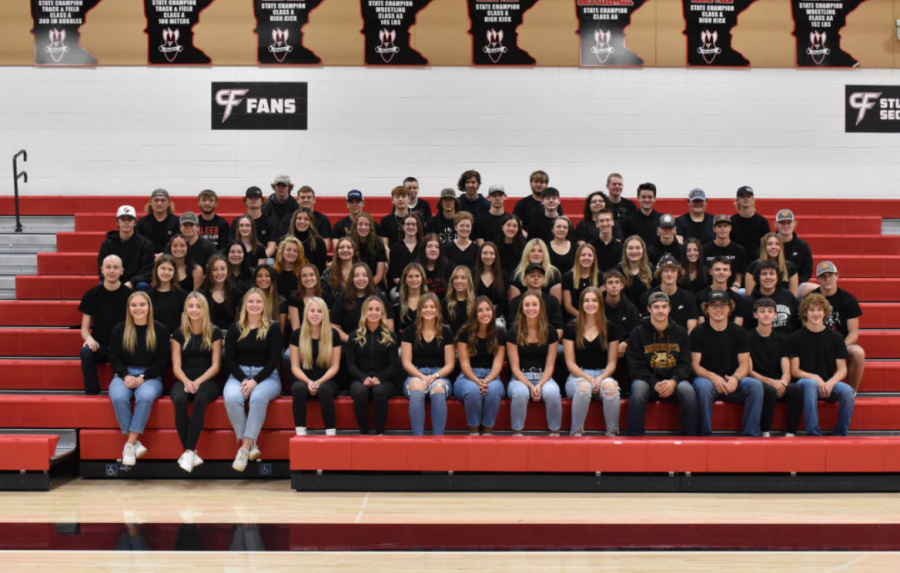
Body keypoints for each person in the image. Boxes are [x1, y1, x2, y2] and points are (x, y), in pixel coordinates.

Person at [223, 288, 284, 472]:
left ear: (264, 305)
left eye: (258, 302)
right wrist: (243, 380)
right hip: (239, 375)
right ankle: (251, 445)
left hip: (267, 377)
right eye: (251, 301)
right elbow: (229, 359)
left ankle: (244, 447)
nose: (255, 305)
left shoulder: (273, 328)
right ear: (245, 305)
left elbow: (275, 360)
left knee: (257, 398)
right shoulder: (235, 328)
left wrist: (255, 381)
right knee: (231, 398)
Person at [108, 291, 170, 466]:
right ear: (128, 308)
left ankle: (129, 443)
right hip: (124, 374)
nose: (138, 308)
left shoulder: (160, 330)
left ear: (149, 307)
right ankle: (134, 443)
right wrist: (126, 375)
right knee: (119, 397)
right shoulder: (119, 329)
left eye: (142, 305)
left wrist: (144, 377)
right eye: (134, 305)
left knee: (145, 396)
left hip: (150, 375)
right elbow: (114, 358)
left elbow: (162, 360)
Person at [691, 290, 763, 437]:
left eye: (722, 305)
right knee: (703, 388)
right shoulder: (698, 332)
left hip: (732, 381)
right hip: (708, 380)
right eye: (714, 305)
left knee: (755, 386)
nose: (718, 309)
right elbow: (695, 365)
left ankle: (751, 435)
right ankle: (704, 436)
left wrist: (735, 378)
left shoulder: (739, 332)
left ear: (729, 308)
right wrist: (713, 377)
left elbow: (744, 364)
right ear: (707, 309)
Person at [626, 292, 697, 436]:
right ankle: (635, 438)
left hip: (674, 381)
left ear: (670, 308)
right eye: (656, 307)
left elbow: (685, 364)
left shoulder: (681, 333)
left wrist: (673, 381)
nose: (660, 310)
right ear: (649, 309)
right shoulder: (637, 333)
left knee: (688, 392)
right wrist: (654, 383)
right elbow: (635, 367)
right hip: (647, 381)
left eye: (664, 306)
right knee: (638, 390)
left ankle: (690, 438)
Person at [170, 292, 223, 472]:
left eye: (198, 306)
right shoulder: (178, 333)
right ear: (186, 309)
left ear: (204, 309)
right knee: (179, 400)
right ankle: (190, 452)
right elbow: (176, 366)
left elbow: (216, 366)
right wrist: (186, 381)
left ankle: (188, 451)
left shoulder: (214, 332)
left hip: (207, 378)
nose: (194, 310)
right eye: (190, 306)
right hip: (184, 378)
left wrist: (198, 381)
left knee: (200, 400)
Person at [789, 293, 855, 436]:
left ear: (825, 312)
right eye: (811, 310)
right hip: (805, 384)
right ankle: (813, 433)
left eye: (819, 310)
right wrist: (815, 378)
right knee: (810, 384)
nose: (816, 313)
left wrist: (830, 382)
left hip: (828, 384)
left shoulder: (836, 338)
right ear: (805, 313)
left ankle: (840, 433)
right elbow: (795, 370)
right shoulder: (795, 337)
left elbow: (842, 369)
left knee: (848, 391)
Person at [564, 287, 621, 436]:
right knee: (584, 388)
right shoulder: (571, 328)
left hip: (603, 374)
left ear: (600, 304)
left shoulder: (611, 328)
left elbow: (612, 363)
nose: (590, 304)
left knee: (611, 388)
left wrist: (600, 378)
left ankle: (612, 433)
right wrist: (588, 379)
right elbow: (570, 363)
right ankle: (576, 432)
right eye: (587, 300)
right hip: (577, 376)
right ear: (581, 304)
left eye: (594, 300)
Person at [506, 293, 562, 436]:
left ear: (541, 308)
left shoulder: (551, 331)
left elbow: (550, 366)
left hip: (544, 376)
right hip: (520, 377)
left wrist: (539, 385)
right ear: (522, 309)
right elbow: (514, 369)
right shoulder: (513, 332)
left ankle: (555, 433)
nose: (531, 308)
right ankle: (517, 432)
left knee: (553, 392)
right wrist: (531, 386)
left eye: (534, 304)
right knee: (520, 392)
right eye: (527, 305)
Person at [401, 293, 455, 436]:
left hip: (439, 375)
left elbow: (450, 364)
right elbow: (406, 362)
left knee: (438, 390)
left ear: (437, 310)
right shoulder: (409, 332)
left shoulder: (446, 332)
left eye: (432, 306)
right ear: (419, 310)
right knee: (417, 388)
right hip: (415, 374)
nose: (429, 310)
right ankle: (418, 438)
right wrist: (421, 376)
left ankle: (438, 438)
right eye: (425, 307)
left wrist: (435, 376)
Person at [346, 296, 402, 435]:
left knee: (379, 391)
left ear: (382, 313)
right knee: (360, 392)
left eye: (377, 309)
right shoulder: (354, 336)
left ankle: (380, 433)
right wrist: (363, 378)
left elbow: (394, 364)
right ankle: (363, 433)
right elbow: (350, 364)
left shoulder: (391, 336)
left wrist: (380, 378)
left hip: (384, 380)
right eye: (370, 309)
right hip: (360, 379)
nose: (374, 312)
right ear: (364, 311)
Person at [749, 297, 803, 438]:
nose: (766, 314)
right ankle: (765, 432)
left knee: (796, 389)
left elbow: (786, 368)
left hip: (778, 381)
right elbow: (749, 371)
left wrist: (783, 382)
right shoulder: (747, 337)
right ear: (755, 314)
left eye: (770, 311)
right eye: (762, 311)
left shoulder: (783, 339)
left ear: (775, 315)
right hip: (759, 381)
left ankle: (790, 433)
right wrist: (772, 383)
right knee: (768, 390)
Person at [809, 261, 865, 393]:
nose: (827, 279)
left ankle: (851, 392)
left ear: (837, 276)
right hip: (817, 341)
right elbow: (806, 327)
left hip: (841, 343)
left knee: (858, 352)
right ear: (817, 279)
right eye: (823, 276)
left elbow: (853, 334)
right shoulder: (810, 298)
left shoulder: (848, 299)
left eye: (830, 275)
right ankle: (814, 390)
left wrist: (839, 347)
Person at [80, 255, 133, 395]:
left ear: (122, 271)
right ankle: (92, 393)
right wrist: (88, 339)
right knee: (85, 352)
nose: (111, 271)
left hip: (123, 346)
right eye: (108, 267)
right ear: (102, 270)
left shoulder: (131, 295)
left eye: (115, 267)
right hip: (101, 346)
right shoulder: (91, 294)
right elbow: (84, 329)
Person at [289, 297, 341, 437]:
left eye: (319, 311)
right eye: (312, 310)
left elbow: (335, 367)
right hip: (303, 379)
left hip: (327, 381)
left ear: (324, 314)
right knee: (298, 388)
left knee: (324, 390)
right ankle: (300, 433)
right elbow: (295, 367)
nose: (315, 314)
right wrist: (308, 382)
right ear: (306, 313)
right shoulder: (297, 334)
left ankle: (331, 434)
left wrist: (319, 382)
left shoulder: (333, 334)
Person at [454, 297, 506, 435]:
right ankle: (474, 432)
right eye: (480, 310)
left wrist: (486, 381)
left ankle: (488, 432)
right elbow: (464, 364)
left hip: (492, 376)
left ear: (493, 312)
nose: (485, 313)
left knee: (493, 390)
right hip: (467, 377)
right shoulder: (465, 333)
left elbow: (497, 364)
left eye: (488, 309)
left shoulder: (500, 333)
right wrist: (477, 382)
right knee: (472, 390)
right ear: (474, 314)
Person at [330, 263, 393, 342]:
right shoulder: (343, 299)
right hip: (350, 345)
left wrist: (379, 342)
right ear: (352, 279)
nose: (361, 278)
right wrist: (351, 340)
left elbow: (389, 324)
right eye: (356, 275)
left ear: (369, 278)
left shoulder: (379, 298)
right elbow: (334, 326)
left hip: (377, 344)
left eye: (364, 275)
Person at [98, 205, 154, 291]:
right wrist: (116, 282)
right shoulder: (107, 244)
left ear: (135, 222)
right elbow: (102, 269)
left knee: (143, 285)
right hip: (113, 280)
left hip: (136, 283)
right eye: (123, 219)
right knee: (102, 285)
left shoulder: (146, 244)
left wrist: (131, 282)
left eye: (129, 219)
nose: (126, 222)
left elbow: (147, 271)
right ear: (117, 222)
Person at [640, 254, 699, 333]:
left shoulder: (688, 297)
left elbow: (691, 329)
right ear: (660, 273)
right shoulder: (647, 297)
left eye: (673, 270)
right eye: (666, 270)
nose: (669, 274)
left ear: (678, 273)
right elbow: (645, 326)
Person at [736, 259, 799, 333]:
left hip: (785, 342)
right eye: (764, 274)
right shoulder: (747, 301)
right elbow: (740, 330)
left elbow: (799, 321)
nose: (768, 277)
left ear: (777, 277)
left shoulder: (788, 296)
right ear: (758, 277)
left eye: (772, 274)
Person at [507, 263, 565, 340]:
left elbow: (559, 328)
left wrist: (549, 342)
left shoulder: (553, 301)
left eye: (539, 276)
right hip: (522, 340)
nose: (536, 278)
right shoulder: (516, 301)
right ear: (525, 278)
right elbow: (512, 326)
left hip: (547, 340)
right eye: (532, 275)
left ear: (544, 279)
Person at [702, 215, 748, 291]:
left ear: (730, 228)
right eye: (719, 226)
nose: (723, 229)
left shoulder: (740, 250)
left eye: (725, 226)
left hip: (733, 289)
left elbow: (739, 273)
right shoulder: (704, 250)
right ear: (714, 229)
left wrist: (736, 286)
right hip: (710, 288)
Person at [602, 269, 640, 360]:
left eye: (617, 282)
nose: (614, 285)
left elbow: (636, 331)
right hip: (603, 346)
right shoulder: (598, 306)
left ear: (622, 286)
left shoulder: (631, 308)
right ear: (604, 286)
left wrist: (625, 343)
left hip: (624, 348)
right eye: (610, 282)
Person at [200, 254, 243, 332]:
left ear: (228, 270)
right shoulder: (200, 294)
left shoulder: (237, 294)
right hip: (206, 335)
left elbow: (239, 322)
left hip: (229, 336)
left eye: (222, 269)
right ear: (209, 272)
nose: (219, 273)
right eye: (215, 269)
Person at [513, 170, 561, 238]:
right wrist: (529, 237)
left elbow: (560, 223)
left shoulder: (554, 205)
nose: (538, 184)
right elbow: (516, 225)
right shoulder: (522, 203)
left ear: (546, 184)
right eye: (536, 182)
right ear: (531, 183)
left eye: (542, 182)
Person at [148, 254, 187, 335]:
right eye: (163, 268)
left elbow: (184, 326)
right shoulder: (148, 296)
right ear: (156, 270)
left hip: (175, 340)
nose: (166, 272)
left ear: (174, 272)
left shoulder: (183, 296)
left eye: (170, 269)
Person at [774, 209, 814, 285]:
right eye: (782, 222)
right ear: (776, 224)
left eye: (789, 222)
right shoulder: (768, 244)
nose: (786, 225)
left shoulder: (803, 246)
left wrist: (794, 283)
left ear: (794, 223)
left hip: (796, 285)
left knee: (811, 288)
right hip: (772, 285)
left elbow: (807, 271)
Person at [562, 243, 600, 321]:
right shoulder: (568, 277)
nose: (586, 258)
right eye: (583, 255)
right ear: (577, 258)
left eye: (590, 255)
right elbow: (568, 306)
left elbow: (601, 302)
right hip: (575, 318)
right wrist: (583, 318)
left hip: (596, 317)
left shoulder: (600, 277)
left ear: (594, 259)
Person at [283, 207, 327, 274]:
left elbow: (321, 269)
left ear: (311, 222)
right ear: (294, 220)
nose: (302, 221)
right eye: (299, 218)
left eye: (306, 219)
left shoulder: (319, 242)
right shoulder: (285, 241)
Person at [287, 263, 329, 333]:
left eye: (311, 275)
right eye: (304, 276)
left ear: (317, 277)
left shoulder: (326, 296)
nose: (308, 278)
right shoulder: (294, 297)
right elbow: (296, 329)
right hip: (301, 338)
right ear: (300, 279)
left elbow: (326, 324)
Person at [238, 186, 278, 258]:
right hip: (242, 258)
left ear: (262, 201)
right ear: (245, 201)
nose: (253, 200)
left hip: (265, 258)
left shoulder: (270, 221)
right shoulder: (238, 221)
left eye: (256, 197)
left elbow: (271, 247)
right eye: (250, 197)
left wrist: (258, 259)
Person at [730, 186, 770, 257]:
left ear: (753, 199)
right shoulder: (731, 222)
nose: (746, 198)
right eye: (742, 196)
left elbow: (766, 244)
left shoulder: (762, 222)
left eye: (748, 196)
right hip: (738, 260)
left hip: (757, 261)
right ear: (737, 200)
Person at [136, 188, 180, 253]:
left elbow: (179, 245)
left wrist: (163, 255)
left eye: (163, 200)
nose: (159, 203)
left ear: (168, 203)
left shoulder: (177, 222)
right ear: (151, 202)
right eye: (156, 200)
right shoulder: (141, 223)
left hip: (170, 258)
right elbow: (139, 245)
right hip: (147, 259)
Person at [616, 235, 653, 309]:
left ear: (643, 250)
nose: (634, 251)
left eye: (638, 248)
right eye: (630, 248)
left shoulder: (652, 271)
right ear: (625, 250)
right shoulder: (617, 272)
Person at [474, 242, 509, 320]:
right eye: (485, 253)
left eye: (492, 253)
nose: (488, 256)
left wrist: (493, 316)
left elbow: (503, 301)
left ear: (496, 256)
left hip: (497, 315)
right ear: (480, 255)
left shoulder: (504, 275)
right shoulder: (472, 274)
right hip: (476, 313)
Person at [351, 213, 387, 286]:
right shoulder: (349, 243)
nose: (363, 227)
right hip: (353, 284)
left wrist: (367, 286)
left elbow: (379, 275)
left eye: (366, 225)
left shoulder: (378, 244)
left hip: (373, 283)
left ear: (370, 227)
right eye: (360, 224)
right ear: (355, 227)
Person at [387, 214, 422, 288]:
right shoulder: (394, 248)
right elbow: (394, 274)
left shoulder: (424, 247)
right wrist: (407, 285)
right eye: (408, 224)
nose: (410, 227)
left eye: (413, 224)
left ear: (418, 227)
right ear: (403, 227)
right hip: (401, 286)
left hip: (421, 285)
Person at [294, 185, 333, 250]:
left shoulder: (323, 219)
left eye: (309, 197)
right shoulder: (289, 218)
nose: (306, 200)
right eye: (303, 197)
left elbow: (326, 245)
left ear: (314, 200)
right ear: (298, 200)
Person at [252, 265, 287, 334]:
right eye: (259, 276)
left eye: (267, 276)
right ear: (255, 280)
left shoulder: (281, 301)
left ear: (272, 279)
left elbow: (280, 332)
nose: (263, 279)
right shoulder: (247, 300)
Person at [322, 237, 358, 303]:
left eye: (349, 247)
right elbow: (323, 297)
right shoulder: (328, 273)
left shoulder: (360, 271)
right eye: (341, 247)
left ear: (354, 251)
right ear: (337, 251)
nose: (345, 250)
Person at [442, 266, 475, 334]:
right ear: (452, 281)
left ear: (469, 281)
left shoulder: (476, 302)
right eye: (456, 278)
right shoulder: (444, 303)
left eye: (463, 278)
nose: (459, 281)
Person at [396, 262, 428, 333]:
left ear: (422, 278)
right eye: (410, 276)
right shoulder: (397, 303)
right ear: (405, 279)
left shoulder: (430, 300)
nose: (414, 280)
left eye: (417, 276)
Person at [273, 236, 307, 301]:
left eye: (295, 251)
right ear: (282, 251)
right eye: (288, 250)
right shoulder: (273, 274)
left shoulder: (303, 274)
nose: (291, 253)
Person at [416, 233, 450, 297]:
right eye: (429, 246)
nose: (433, 250)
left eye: (437, 247)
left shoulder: (449, 267)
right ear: (423, 249)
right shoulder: (414, 268)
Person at [380, 185, 413, 250]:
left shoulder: (415, 220)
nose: (400, 199)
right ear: (392, 200)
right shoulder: (385, 221)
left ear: (409, 199)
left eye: (403, 196)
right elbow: (385, 245)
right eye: (397, 197)